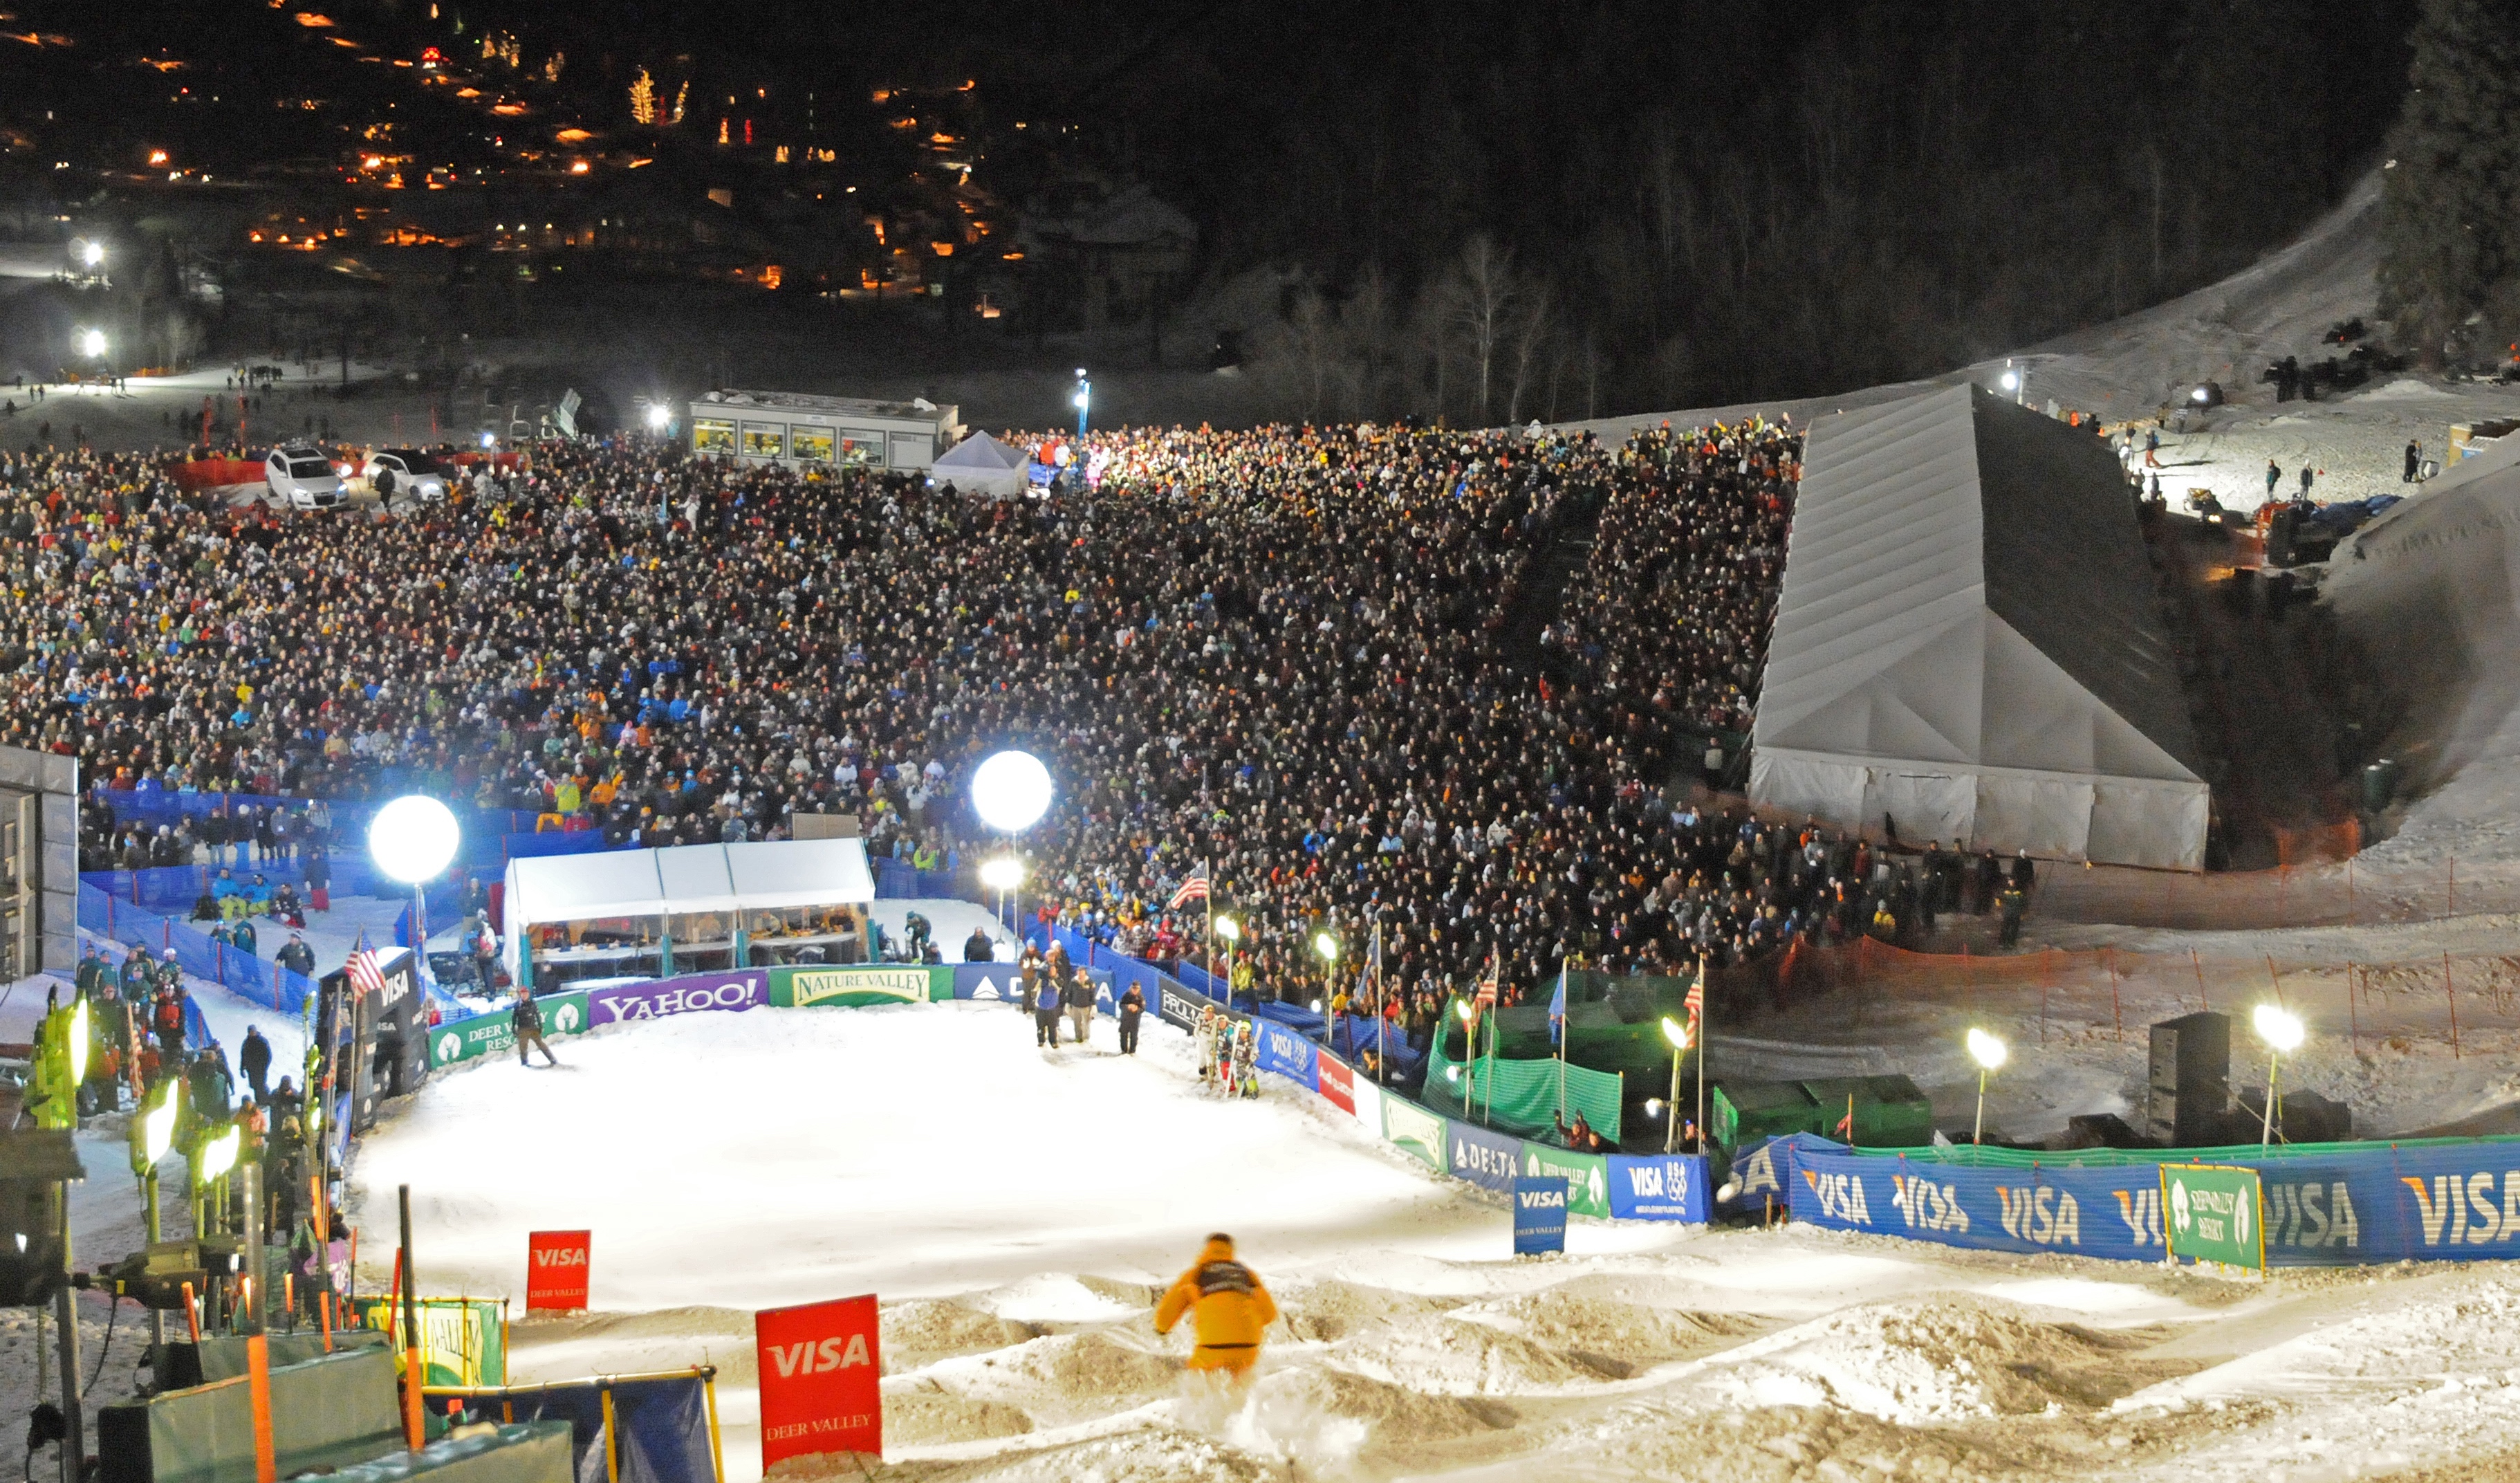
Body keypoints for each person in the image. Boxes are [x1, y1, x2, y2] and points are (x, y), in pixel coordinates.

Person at [1154, 1233, 1277, 1385]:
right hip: (1248, 1345)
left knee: (1199, 1384)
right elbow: (1269, 1315)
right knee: (1243, 1387)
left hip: (1211, 1347)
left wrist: (1162, 1328)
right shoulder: (1247, 1274)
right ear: (1231, 1250)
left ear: (1207, 1249)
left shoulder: (1197, 1273)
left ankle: (1204, 1405)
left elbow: (1169, 1310)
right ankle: (1243, 1405)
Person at [513, 988, 559, 1067]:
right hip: (522, 1029)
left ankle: (552, 1059)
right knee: (523, 1047)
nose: (524, 996)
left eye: (526, 994)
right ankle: (524, 1062)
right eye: (523, 994)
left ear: (528, 994)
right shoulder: (517, 1005)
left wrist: (540, 1026)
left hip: (533, 1028)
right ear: (520, 995)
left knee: (541, 1044)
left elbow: (537, 1015)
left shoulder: (533, 1003)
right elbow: (514, 1018)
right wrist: (513, 1028)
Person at [240, 1023, 272, 1105]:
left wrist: (264, 1067)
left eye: (253, 1031)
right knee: (255, 1086)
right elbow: (243, 1056)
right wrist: (242, 1068)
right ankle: (259, 1102)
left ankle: (266, 1100)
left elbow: (268, 1056)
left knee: (261, 1085)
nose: (252, 1033)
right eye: (250, 1032)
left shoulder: (262, 1041)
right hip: (251, 1070)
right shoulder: (246, 1042)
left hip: (261, 1069)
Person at [1064, 966, 1097, 1047]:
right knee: (1077, 1023)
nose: (1080, 975)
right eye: (1079, 973)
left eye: (1082, 973)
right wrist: (1068, 1004)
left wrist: (1093, 1005)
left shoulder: (1089, 982)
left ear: (1085, 973)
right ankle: (1078, 1038)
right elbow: (1070, 993)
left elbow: (1092, 995)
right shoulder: (1073, 982)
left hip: (1086, 1006)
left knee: (1086, 1023)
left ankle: (1086, 1038)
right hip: (1075, 1006)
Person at [1033, 969, 1065, 1047]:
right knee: (1040, 1026)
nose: (1051, 972)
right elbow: (1034, 989)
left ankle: (1053, 1041)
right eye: (1050, 971)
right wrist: (1040, 979)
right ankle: (1041, 1040)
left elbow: (1059, 986)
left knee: (1052, 1027)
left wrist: (1052, 979)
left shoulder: (1059, 980)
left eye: (1053, 971)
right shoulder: (1042, 980)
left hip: (1052, 1007)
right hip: (1041, 1006)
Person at [1118, 982, 1145, 1054]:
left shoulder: (1140, 998)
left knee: (1134, 1036)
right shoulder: (1126, 996)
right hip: (1125, 1019)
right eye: (1134, 988)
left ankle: (1132, 1051)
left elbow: (1143, 1008)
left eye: (1137, 989)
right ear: (1131, 988)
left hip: (1135, 1020)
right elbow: (1121, 1005)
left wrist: (1137, 1009)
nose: (1135, 990)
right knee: (1123, 1035)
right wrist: (1127, 1007)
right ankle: (1124, 1050)